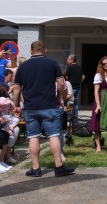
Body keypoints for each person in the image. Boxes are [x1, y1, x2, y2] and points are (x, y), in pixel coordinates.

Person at [12, 40, 75, 177]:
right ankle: (58, 167)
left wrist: (17, 106)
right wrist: (59, 98)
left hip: (29, 106)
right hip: (48, 105)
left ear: (30, 51)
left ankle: (35, 168)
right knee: (53, 135)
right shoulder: (52, 63)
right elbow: (60, 83)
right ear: (45, 50)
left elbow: (17, 88)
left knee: (33, 136)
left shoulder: (23, 67)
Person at [64, 54, 85, 118]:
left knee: (69, 102)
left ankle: (69, 117)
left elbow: (66, 78)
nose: (67, 60)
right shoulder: (79, 67)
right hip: (77, 88)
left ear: (72, 60)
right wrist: (79, 82)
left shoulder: (69, 67)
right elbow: (83, 77)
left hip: (71, 88)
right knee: (75, 103)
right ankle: (75, 117)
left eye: (68, 59)